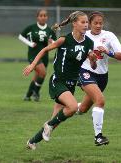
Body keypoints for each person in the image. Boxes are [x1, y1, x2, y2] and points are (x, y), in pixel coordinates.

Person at [23, 11, 97, 150]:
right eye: (83, 22)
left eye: (87, 22)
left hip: (70, 85)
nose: (86, 25)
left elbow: (93, 65)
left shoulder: (89, 43)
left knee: (55, 121)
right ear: (74, 24)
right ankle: (48, 126)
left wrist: (93, 60)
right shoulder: (64, 40)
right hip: (58, 81)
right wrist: (33, 64)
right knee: (73, 107)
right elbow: (45, 49)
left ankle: (32, 142)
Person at [52, 11, 121, 146]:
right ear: (89, 24)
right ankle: (98, 137)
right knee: (100, 100)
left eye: (100, 23)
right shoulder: (83, 36)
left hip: (102, 76)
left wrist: (108, 52)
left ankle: (66, 111)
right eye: (95, 23)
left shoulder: (109, 36)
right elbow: (68, 42)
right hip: (85, 72)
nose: (98, 25)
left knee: (84, 108)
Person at [19, 8, 57, 101]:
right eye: (41, 15)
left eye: (45, 16)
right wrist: (30, 44)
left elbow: (56, 43)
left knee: (37, 76)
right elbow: (20, 36)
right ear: (37, 17)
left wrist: (52, 42)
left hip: (44, 56)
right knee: (43, 73)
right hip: (33, 55)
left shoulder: (49, 30)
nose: (43, 17)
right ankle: (36, 92)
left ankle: (28, 96)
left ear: (47, 17)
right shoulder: (31, 28)